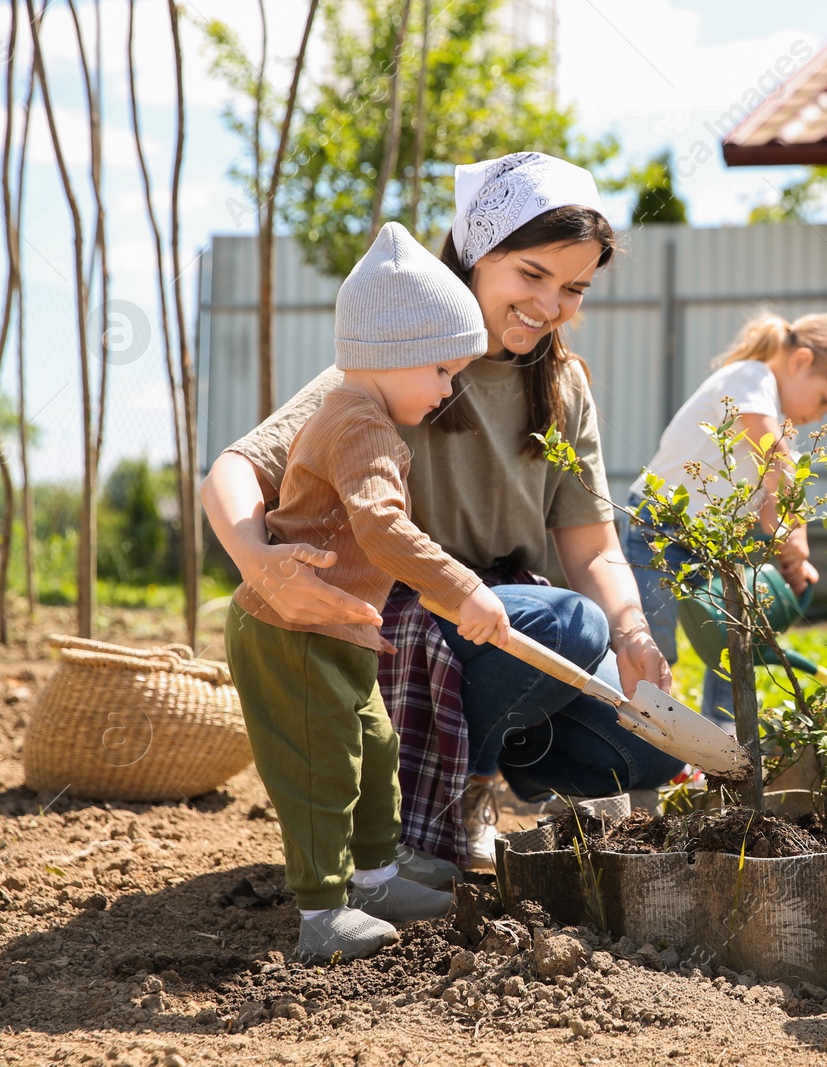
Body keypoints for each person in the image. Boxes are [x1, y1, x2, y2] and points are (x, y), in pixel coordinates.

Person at [204, 153, 682, 874]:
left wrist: (635, 634)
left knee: (645, 745)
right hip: (401, 618)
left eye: (574, 288)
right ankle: (457, 795)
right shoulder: (399, 356)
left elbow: (595, 549)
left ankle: (476, 747)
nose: (550, 306)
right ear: (476, 253)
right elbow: (237, 468)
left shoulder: (562, 385)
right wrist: (259, 562)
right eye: (532, 275)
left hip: (508, 624)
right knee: (570, 622)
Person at [223, 223, 507, 963]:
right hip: (292, 630)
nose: (448, 391)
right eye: (443, 371)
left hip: (338, 630)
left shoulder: (361, 413)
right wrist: (462, 588)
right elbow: (381, 529)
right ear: (397, 354)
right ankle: (322, 911)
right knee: (323, 765)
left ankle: (377, 878)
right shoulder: (361, 425)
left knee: (373, 747)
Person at [622, 312, 827, 726]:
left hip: (715, 540)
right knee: (653, 637)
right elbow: (775, 458)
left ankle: (724, 734)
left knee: (732, 635)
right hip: (659, 527)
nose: (821, 416)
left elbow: (771, 492)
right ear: (800, 362)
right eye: (825, 400)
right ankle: (650, 735)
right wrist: (794, 530)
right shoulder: (750, 378)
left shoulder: (780, 426)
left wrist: (792, 552)